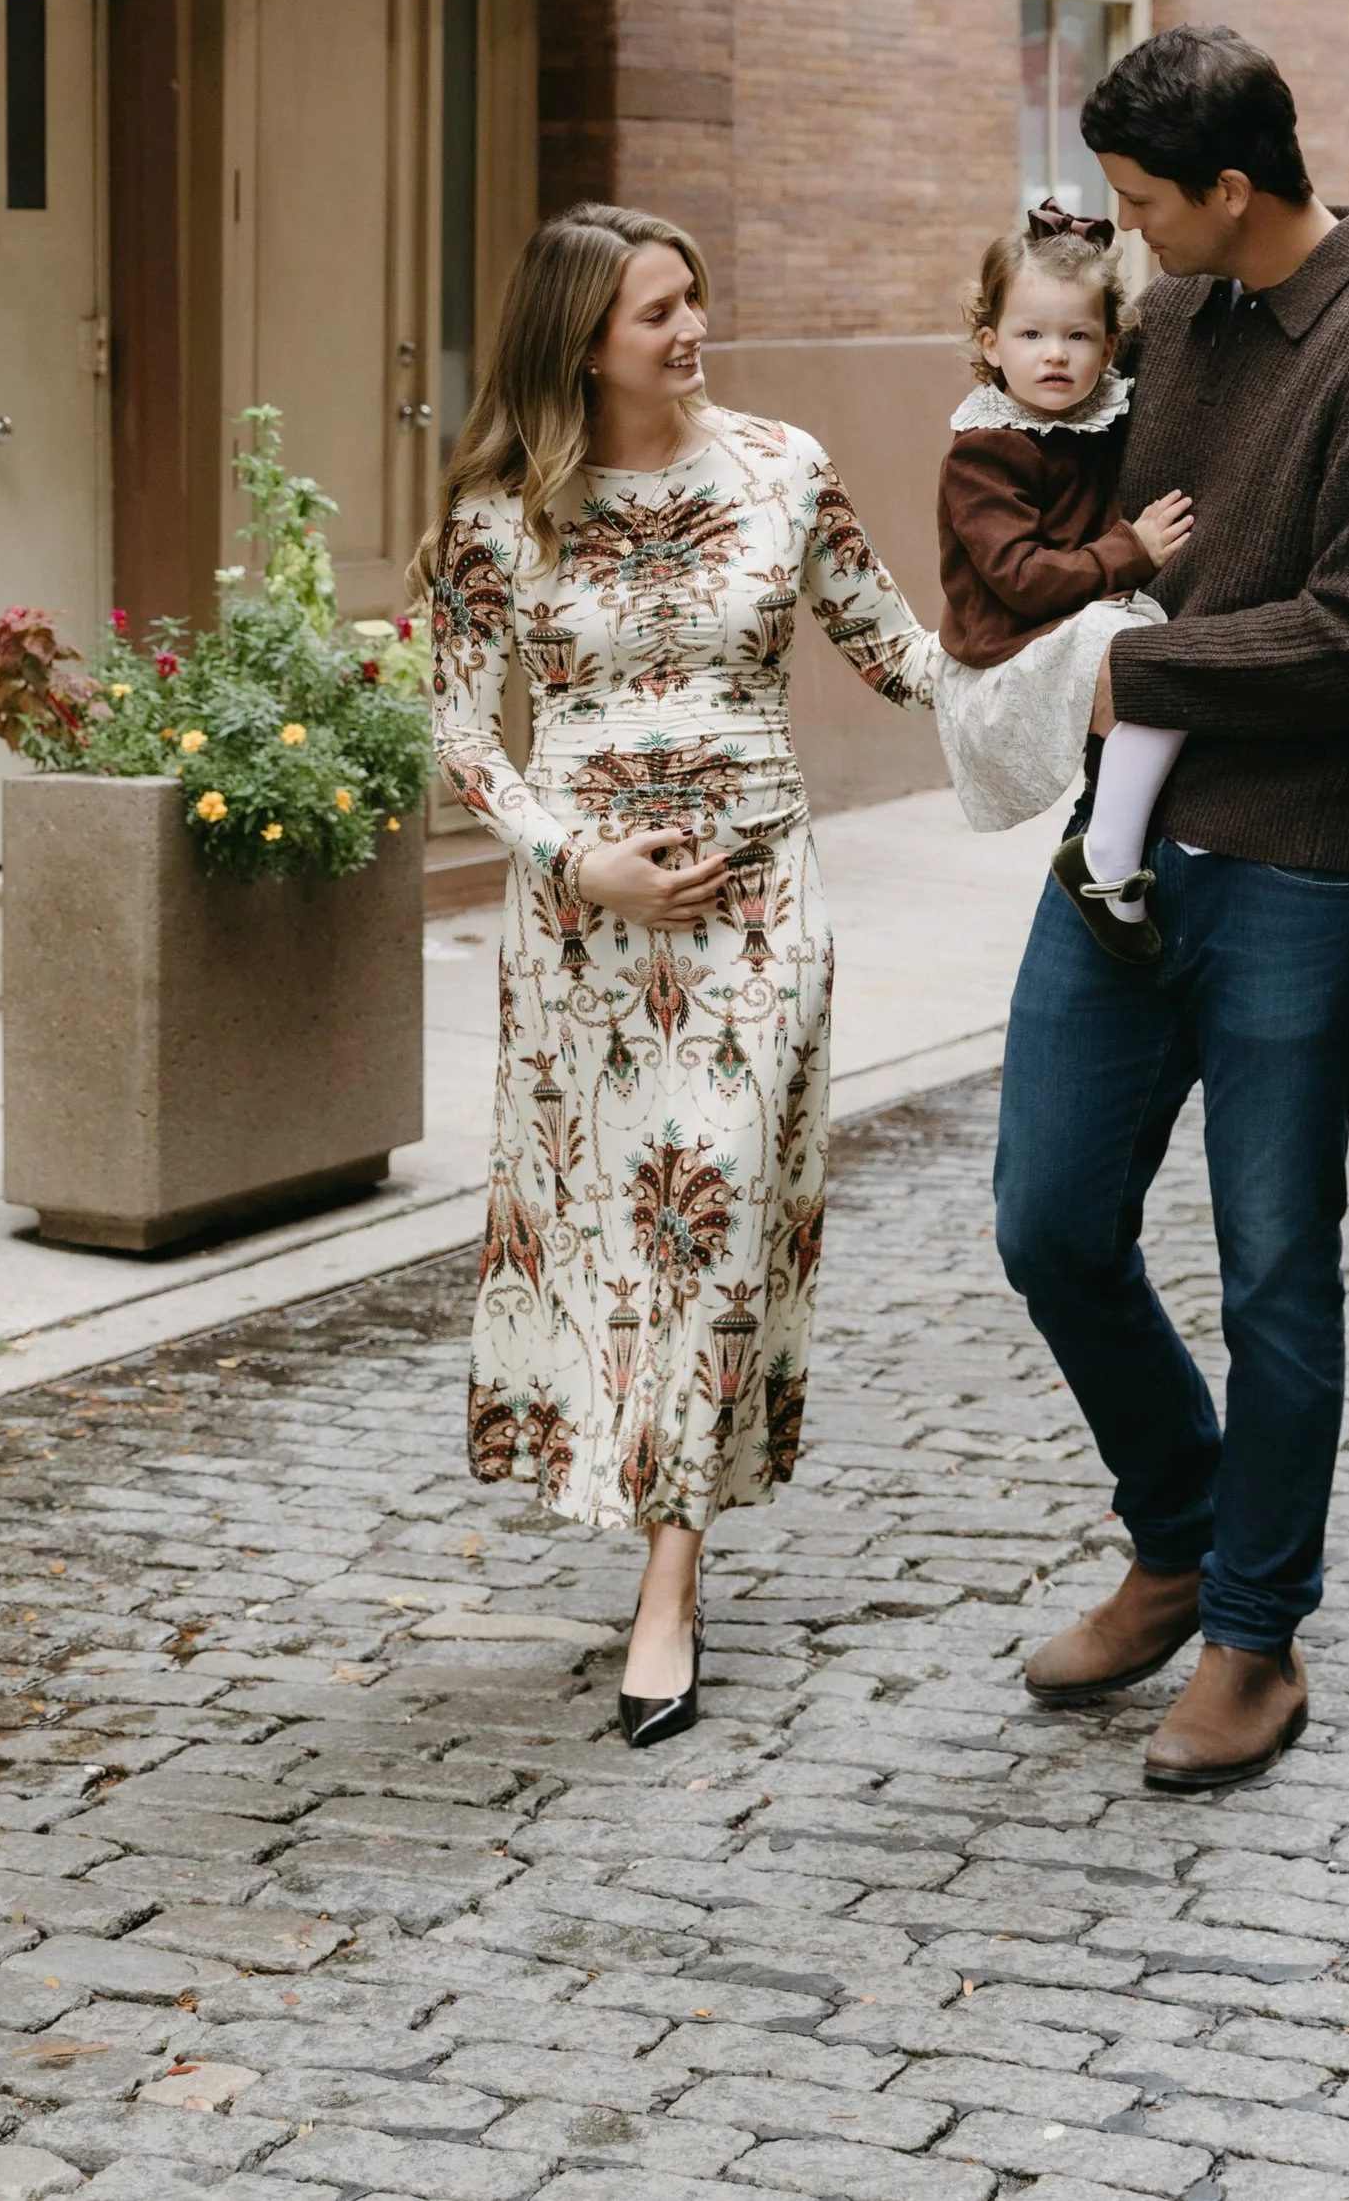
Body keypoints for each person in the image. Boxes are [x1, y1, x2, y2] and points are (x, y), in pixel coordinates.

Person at [995, 25, 1349, 1790]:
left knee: (1277, 1267)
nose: (1127, 235)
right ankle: (1181, 1527)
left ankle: (1253, 1635)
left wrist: (1145, 652)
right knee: (1048, 1217)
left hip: (1296, 867)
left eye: (1144, 201)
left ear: (1230, 186)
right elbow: (1082, 468)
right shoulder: (1180, 319)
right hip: (1124, 852)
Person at [423, 201, 942, 1748]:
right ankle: (626, 1487)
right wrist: (575, 860)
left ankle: (669, 1590)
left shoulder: (783, 468)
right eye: (658, 311)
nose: (691, 328)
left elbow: (906, 655)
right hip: (585, 933)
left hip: (758, 919)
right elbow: (457, 728)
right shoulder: (498, 519)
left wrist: (1088, 659)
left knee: (707, 1220)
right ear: (584, 339)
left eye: (695, 298)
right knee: (611, 1232)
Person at [932, 200, 1195, 943]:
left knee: (1172, 678)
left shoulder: (1096, 418)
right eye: (1031, 335)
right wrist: (1130, 550)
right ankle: (1106, 856)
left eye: (1078, 336)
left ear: (1110, 349)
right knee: (1162, 677)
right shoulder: (987, 448)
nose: (1056, 354)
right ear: (991, 344)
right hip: (1010, 645)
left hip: (1074, 621)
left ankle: (1111, 846)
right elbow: (1019, 578)